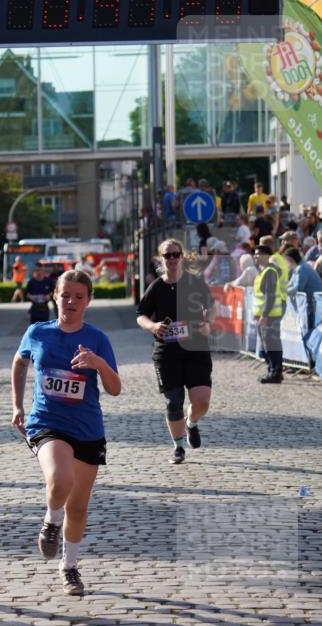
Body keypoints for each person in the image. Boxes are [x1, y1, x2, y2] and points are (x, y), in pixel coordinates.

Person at [11, 270, 121, 597]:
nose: (71, 302)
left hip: (87, 428)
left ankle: (69, 567)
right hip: (47, 423)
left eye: (78, 297)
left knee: (78, 508)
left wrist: (98, 363)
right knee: (60, 480)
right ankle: (51, 521)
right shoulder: (37, 332)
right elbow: (19, 363)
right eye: (65, 295)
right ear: (54, 297)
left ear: (88, 301)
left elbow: (115, 388)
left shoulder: (97, 339)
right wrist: (17, 405)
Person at [136, 239, 213, 465]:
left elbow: (210, 306)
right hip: (167, 352)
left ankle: (191, 423)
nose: (172, 259)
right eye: (167, 255)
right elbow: (141, 315)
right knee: (173, 401)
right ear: (161, 259)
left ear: (181, 257)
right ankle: (179, 447)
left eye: (175, 254)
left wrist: (208, 323)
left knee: (202, 402)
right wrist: (152, 326)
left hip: (195, 349)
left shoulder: (194, 283)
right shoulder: (156, 287)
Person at [253, 244, 284, 383]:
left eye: (258, 254)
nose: (255, 256)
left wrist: (264, 315)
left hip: (270, 316)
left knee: (272, 345)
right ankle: (273, 371)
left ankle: (275, 373)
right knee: (269, 345)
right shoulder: (263, 271)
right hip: (267, 315)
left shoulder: (269, 272)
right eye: (255, 254)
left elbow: (269, 296)